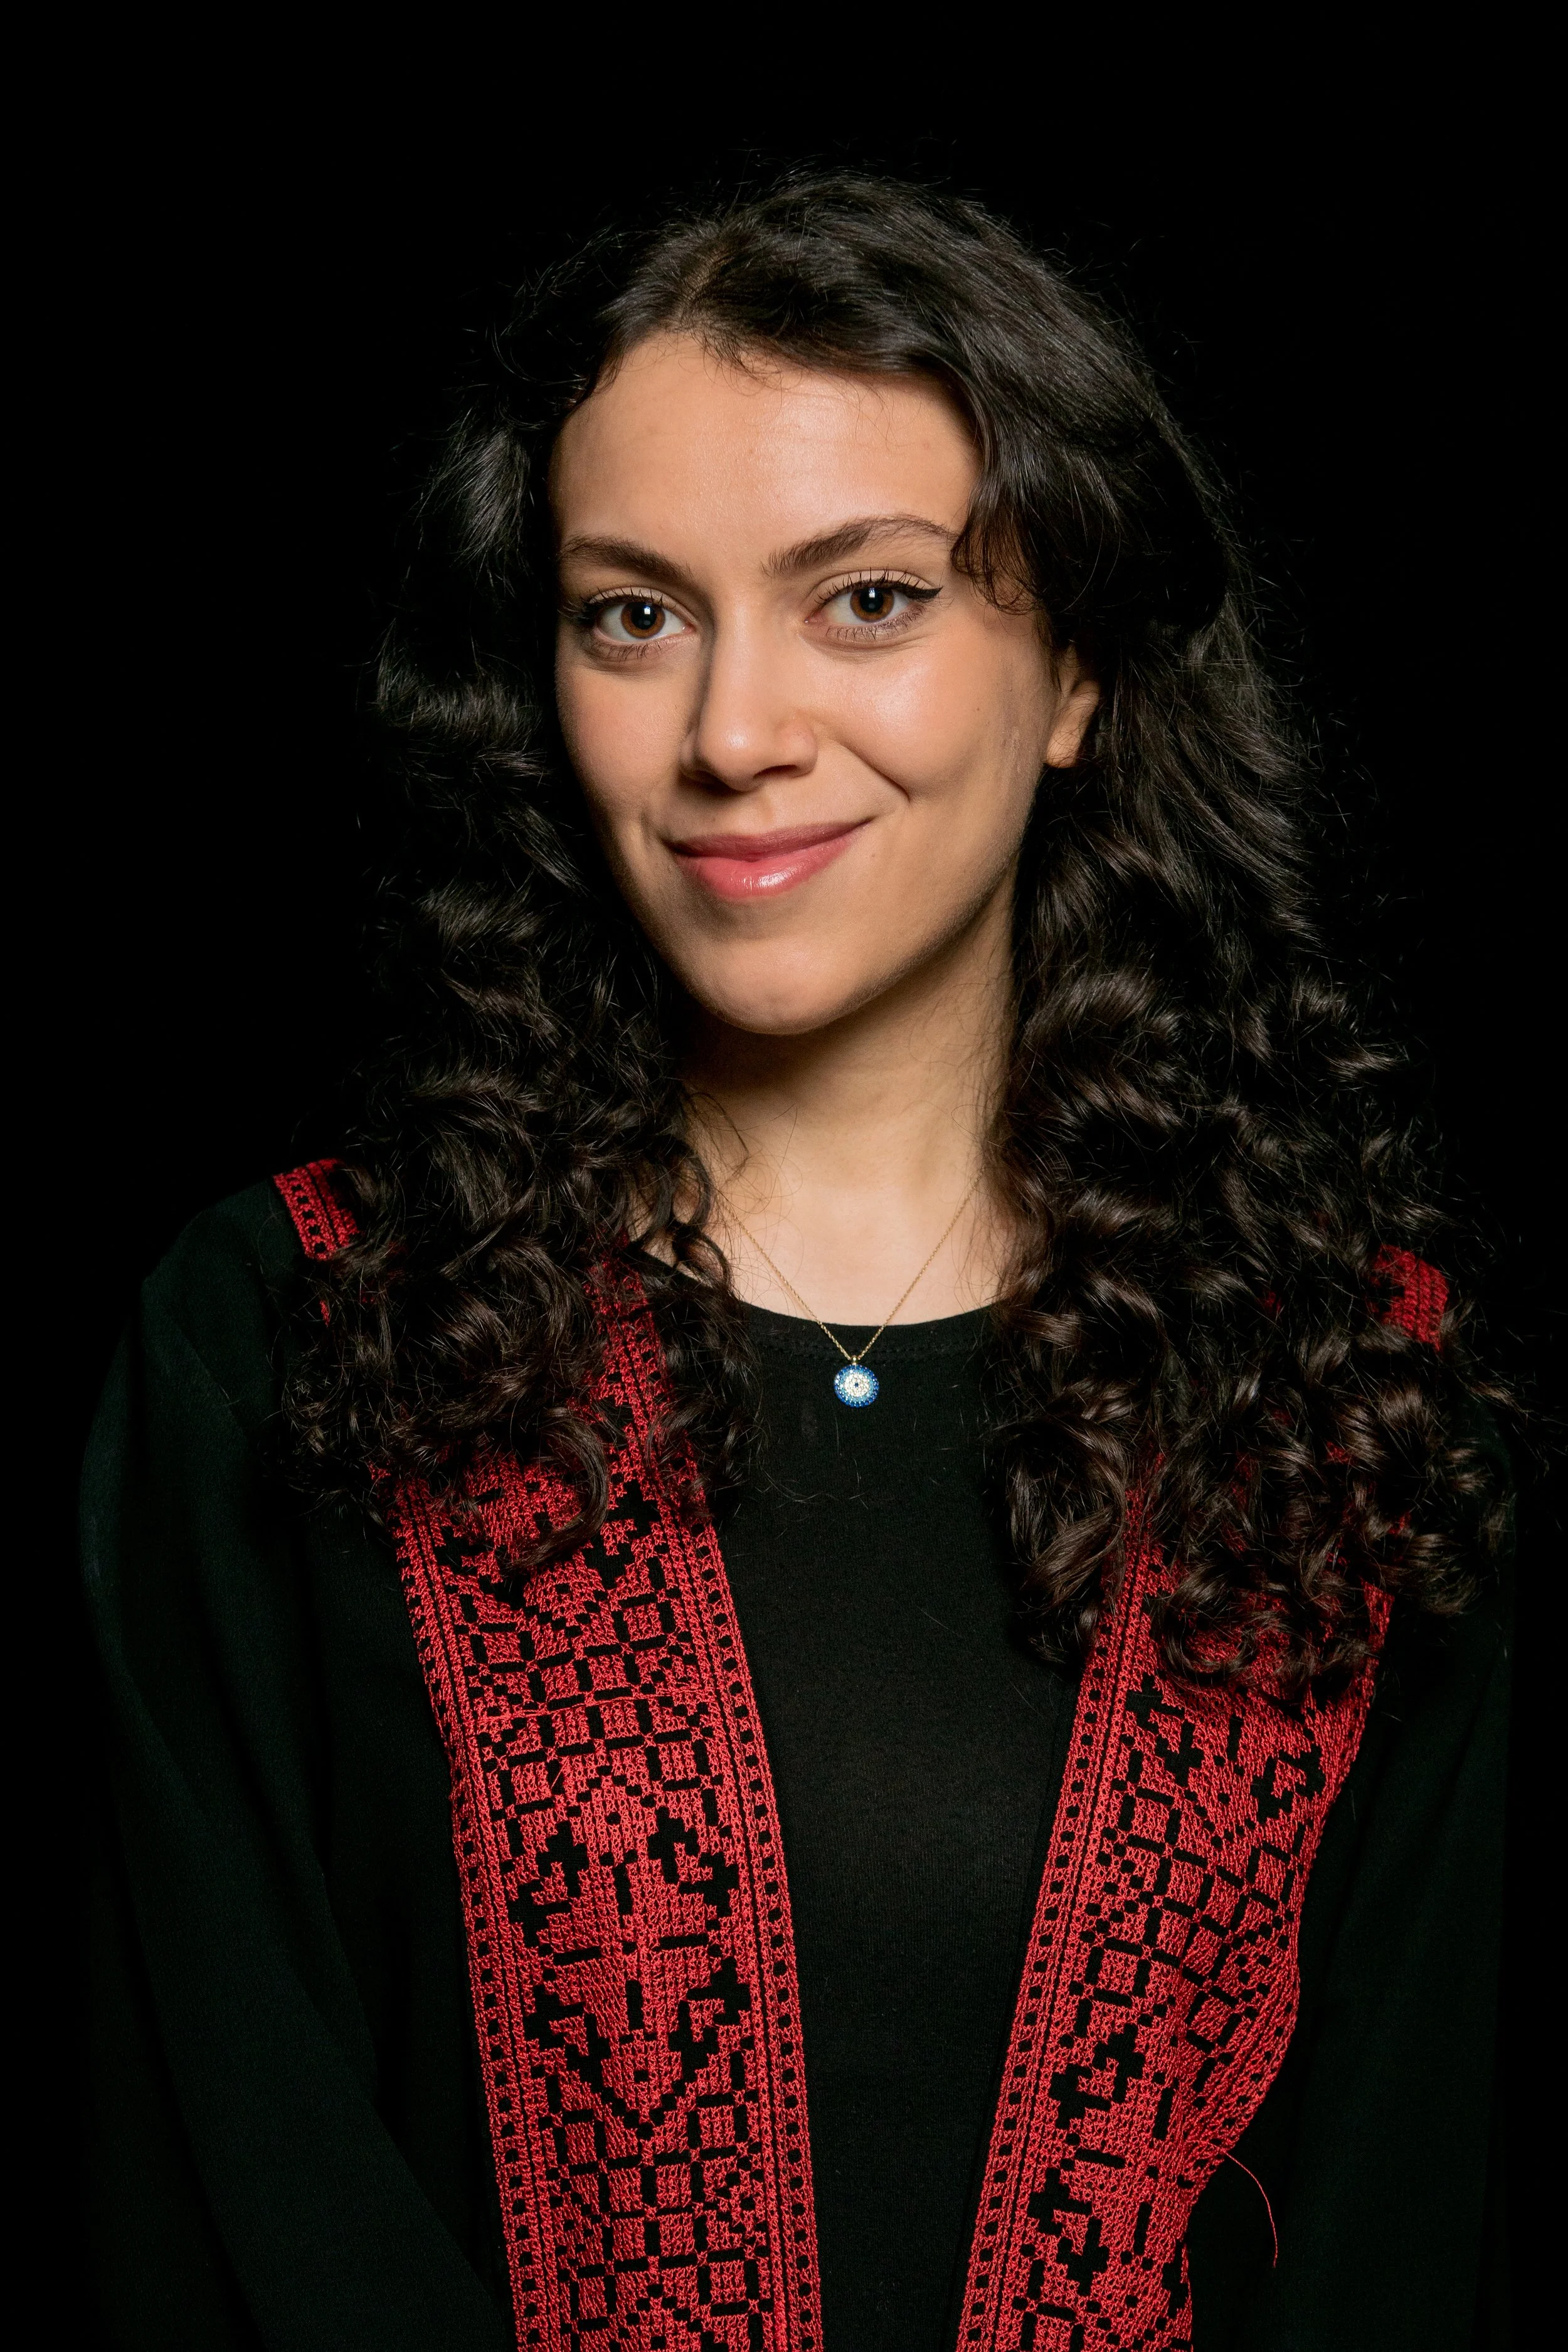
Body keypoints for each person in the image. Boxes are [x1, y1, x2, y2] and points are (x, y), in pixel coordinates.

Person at [83, 175, 1510, 2351]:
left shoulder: (1337, 1394)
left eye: (861, 599)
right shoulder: (289, 1334)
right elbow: (204, 2169)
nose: (732, 728)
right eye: (632, 614)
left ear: (1077, 675)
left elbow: (1401, 2212)